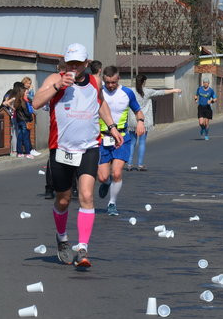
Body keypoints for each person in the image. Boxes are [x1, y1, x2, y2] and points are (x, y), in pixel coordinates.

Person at [32, 43, 123, 268]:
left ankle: (83, 247)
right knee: (63, 199)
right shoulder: (55, 78)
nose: (74, 67)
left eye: (78, 63)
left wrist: (111, 126)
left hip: (89, 147)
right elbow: (35, 103)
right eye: (70, 63)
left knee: (86, 195)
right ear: (65, 63)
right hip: (61, 149)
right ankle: (62, 238)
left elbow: (100, 104)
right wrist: (56, 86)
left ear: (86, 62)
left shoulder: (94, 81)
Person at [96, 65, 145, 216]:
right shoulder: (98, 93)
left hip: (122, 138)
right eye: (107, 82)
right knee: (103, 177)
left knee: (117, 173)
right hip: (102, 138)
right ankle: (107, 183)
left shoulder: (127, 93)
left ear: (119, 79)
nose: (110, 85)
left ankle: (112, 203)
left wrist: (140, 122)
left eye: (113, 82)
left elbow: (137, 110)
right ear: (103, 80)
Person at [127, 73, 182, 171]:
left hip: (132, 120)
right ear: (144, 82)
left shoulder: (130, 91)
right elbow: (161, 92)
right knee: (142, 142)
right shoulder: (148, 91)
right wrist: (174, 90)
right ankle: (140, 165)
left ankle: (129, 164)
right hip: (144, 121)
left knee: (132, 143)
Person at [13, 84, 35, 158]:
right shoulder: (24, 101)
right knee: (26, 137)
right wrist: (31, 118)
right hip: (25, 121)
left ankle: (19, 153)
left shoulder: (17, 101)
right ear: (23, 93)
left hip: (19, 121)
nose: (27, 94)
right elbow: (26, 112)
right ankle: (28, 153)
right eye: (26, 93)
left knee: (20, 137)